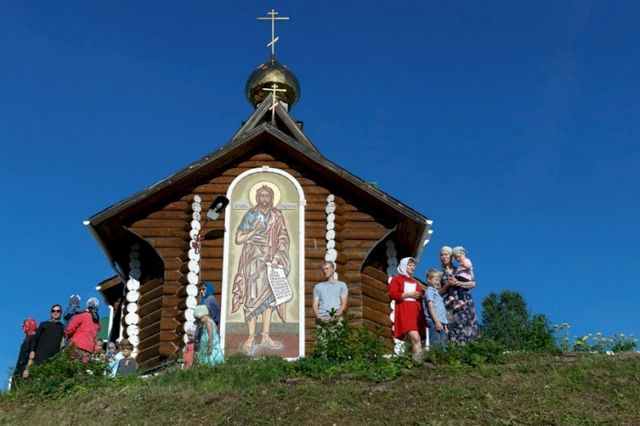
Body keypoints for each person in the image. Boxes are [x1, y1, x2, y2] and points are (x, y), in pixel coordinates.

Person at [231, 184, 291, 355]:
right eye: (261, 196)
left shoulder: (277, 215)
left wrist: (277, 256)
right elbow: (239, 238)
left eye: (267, 196)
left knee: (269, 299)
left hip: (270, 260)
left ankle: (265, 336)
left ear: (271, 198)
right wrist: (254, 231)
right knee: (251, 297)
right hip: (252, 260)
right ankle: (251, 337)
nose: (265, 199)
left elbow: (283, 237)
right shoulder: (251, 214)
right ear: (257, 198)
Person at [438, 246, 480, 344]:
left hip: (464, 301)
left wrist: (459, 283)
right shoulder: (440, 274)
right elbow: (438, 294)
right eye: (441, 255)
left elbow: (473, 283)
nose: (444, 257)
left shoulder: (461, 268)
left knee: (468, 326)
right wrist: (448, 285)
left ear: (451, 256)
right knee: (454, 328)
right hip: (451, 305)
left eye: (446, 254)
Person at [388, 257, 425, 362]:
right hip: (405, 311)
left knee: (412, 339)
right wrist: (408, 294)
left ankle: (411, 361)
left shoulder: (415, 282)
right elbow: (393, 294)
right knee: (415, 337)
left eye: (413, 265)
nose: (412, 267)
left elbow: (420, 296)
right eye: (410, 265)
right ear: (404, 266)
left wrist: (419, 296)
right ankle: (419, 361)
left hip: (415, 312)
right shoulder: (397, 279)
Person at [23, 303, 64, 378]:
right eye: (53, 311)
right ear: (50, 312)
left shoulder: (61, 327)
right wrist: (32, 350)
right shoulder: (44, 324)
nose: (55, 312)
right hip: (40, 356)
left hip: (53, 358)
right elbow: (36, 339)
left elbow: (62, 342)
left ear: (61, 313)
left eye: (58, 311)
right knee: (35, 377)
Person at [65, 298, 102, 363]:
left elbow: (69, 329)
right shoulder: (98, 322)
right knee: (82, 367)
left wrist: (66, 334)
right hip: (88, 350)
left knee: (70, 365)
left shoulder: (81, 315)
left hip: (76, 346)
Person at [423, 269, 448, 350]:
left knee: (442, 344)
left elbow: (442, 310)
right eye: (436, 280)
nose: (438, 282)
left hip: (441, 322)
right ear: (429, 280)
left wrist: (445, 326)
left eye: (439, 280)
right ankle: (434, 356)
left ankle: (440, 357)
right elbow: (431, 307)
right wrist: (436, 322)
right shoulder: (429, 291)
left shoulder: (437, 293)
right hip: (434, 321)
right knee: (435, 343)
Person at [445, 246, 475, 311]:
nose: (458, 259)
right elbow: (457, 273)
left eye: (459, 257)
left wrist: (463, 265)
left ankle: (459, 300)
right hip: (460, 278)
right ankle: (453, 298)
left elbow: (469, 266)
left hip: (465, 278)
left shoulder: (466, 260)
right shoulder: (459, 265)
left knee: (457, 287)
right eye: (456, 258)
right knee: (454, 287)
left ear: (463, 254)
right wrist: (456, 272)